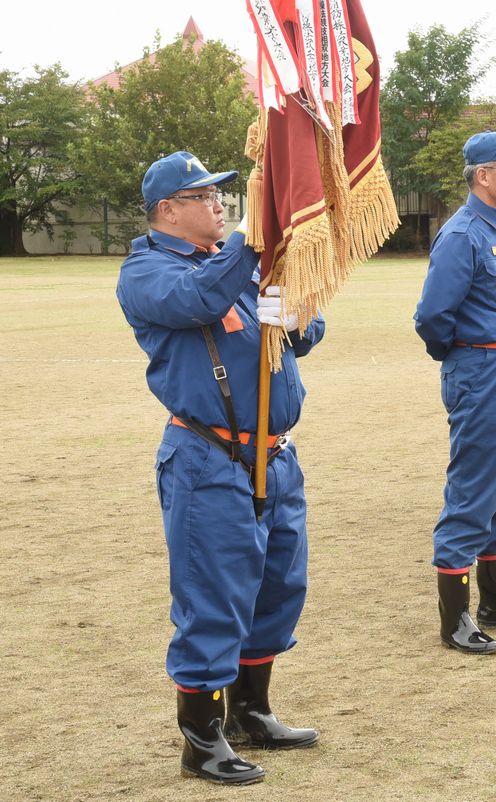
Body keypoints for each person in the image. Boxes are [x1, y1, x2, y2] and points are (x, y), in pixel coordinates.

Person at [116, 152, 323, 785]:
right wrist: (248, 242)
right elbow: (197, 303)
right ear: (167, 211)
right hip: (209, 455)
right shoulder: (146, 271)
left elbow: (302, 336)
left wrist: (296, 311)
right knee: (213, 596)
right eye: (204, 196)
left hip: (275, 450)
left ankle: (251, 711)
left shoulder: (228, 264)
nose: (220, 205)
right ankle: (200, 738)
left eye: (223, 196)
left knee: (278, 586)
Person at [414, 130, 496, 656]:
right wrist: (467, 357)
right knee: (475, 490)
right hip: (486, 366)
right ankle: (456, 617)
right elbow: (432, 318)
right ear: (483, 176)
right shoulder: (464, 233)